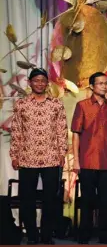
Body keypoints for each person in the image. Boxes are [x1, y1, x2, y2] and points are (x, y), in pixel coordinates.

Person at [10, 68, 68, 244]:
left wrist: (62, 153)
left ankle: (46, 235)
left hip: (51, 157)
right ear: (29, 83)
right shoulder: (21, 104)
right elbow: (16, 131)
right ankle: (32, 236)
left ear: (47, 83)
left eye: (43, 80)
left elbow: (61, 130)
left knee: (50, 200)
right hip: (27, 158)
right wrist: (14, 155)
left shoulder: (56, 104)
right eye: (36, 80)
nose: (40, 83)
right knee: (27, 200)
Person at [71, 72, 107, 244]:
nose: (104, 86)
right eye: (100, 83)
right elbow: (76, 134)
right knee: (86, 201)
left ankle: (104, 237)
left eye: (106, 83)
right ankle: (84, 236)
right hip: (86, 160)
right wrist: (76, 160)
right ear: (92, 86)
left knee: (104, 202)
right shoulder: (82, 106)